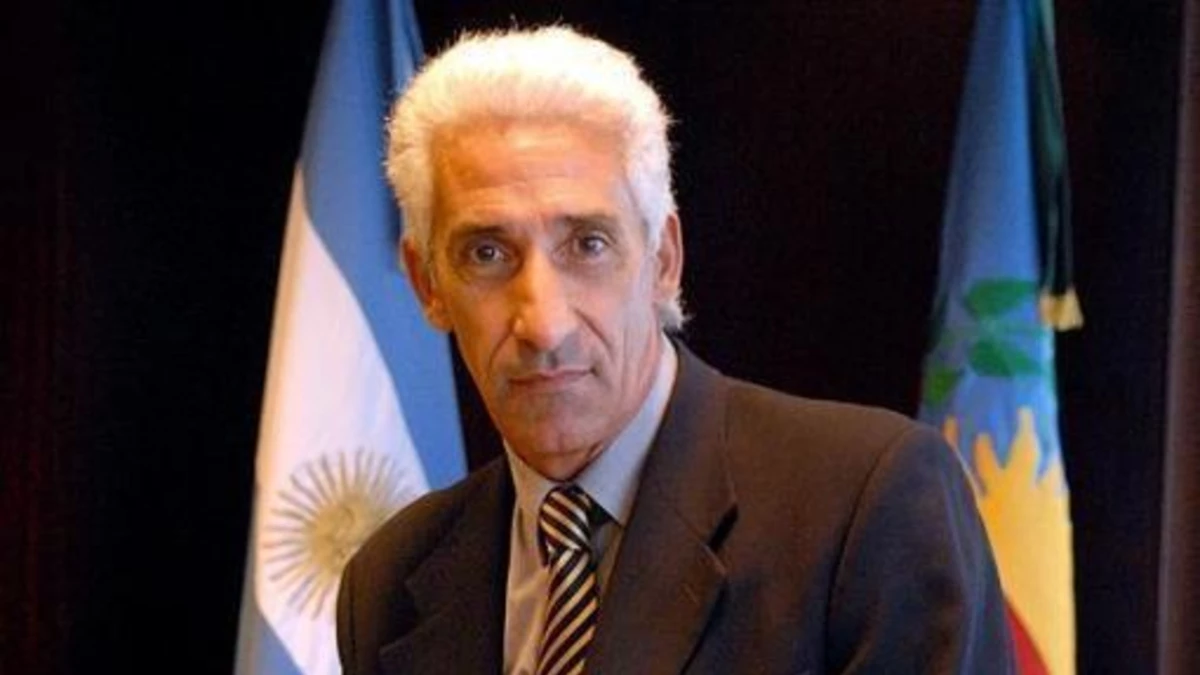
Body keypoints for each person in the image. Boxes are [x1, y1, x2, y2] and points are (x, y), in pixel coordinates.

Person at [337, 26, 1013, 675]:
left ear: (663, 259)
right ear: (428, 284)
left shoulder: (864, 505)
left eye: (588, 245)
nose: (544, 324)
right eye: (487, 253)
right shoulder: (390, 582)